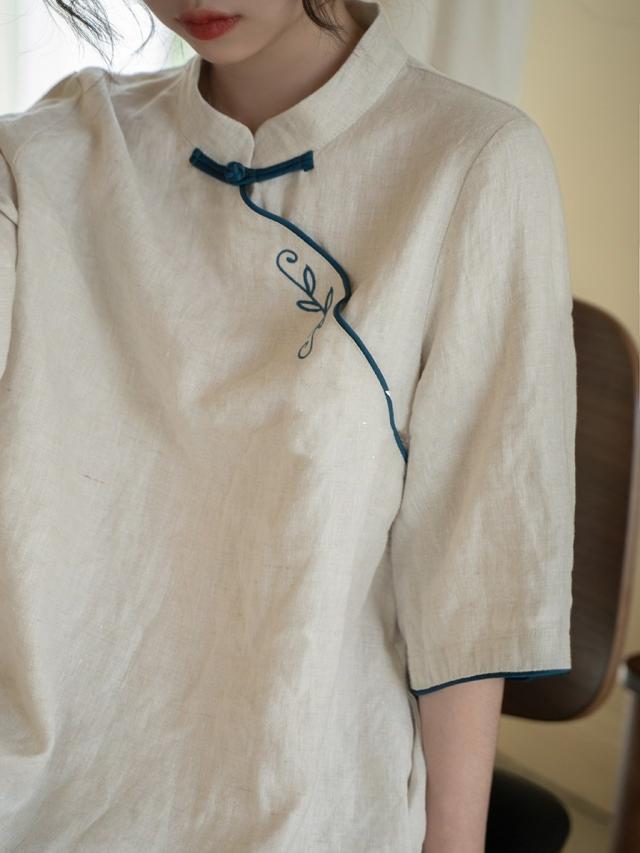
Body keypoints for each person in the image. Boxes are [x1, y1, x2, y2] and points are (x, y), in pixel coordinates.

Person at [0, 1, 577, 850]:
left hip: (300, 789)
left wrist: (454, 840)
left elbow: (474, 560)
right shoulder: (57, 149)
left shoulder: (472, 161)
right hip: (41, 792)